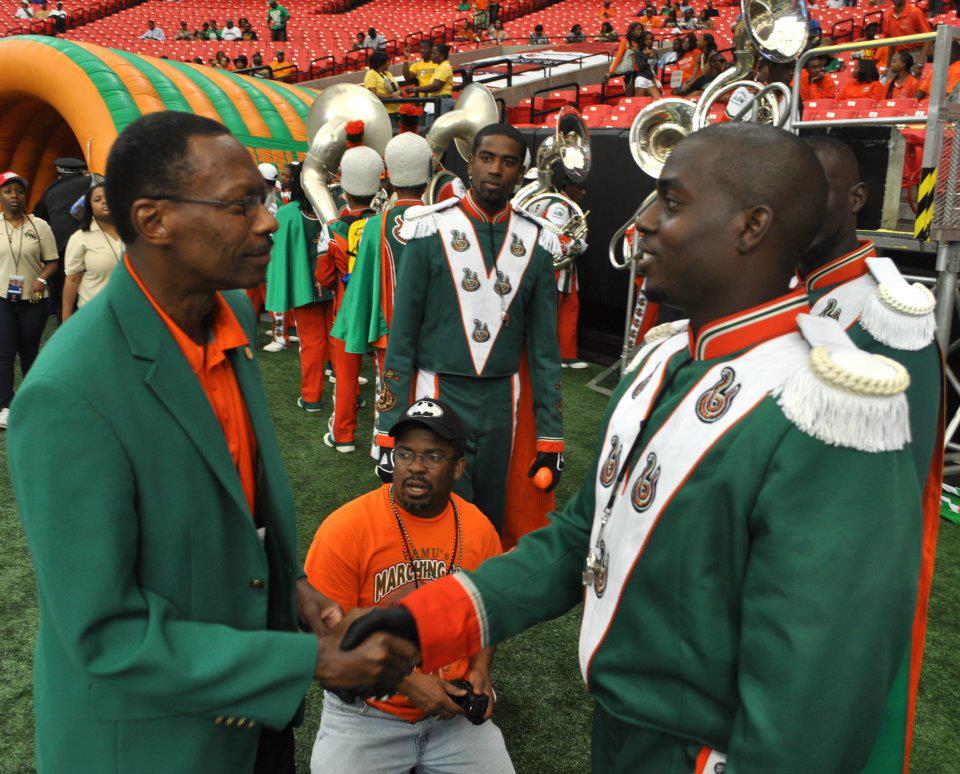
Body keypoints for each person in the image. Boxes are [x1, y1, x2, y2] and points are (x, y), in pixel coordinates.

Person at [349, 123, 923, 772]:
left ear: (752, 226)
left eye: (671, 202)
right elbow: (578, 539)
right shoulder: (663, 358)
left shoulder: (831, 409)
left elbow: (815, 693)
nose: (643, 223)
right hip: (621, 726)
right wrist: (421, 622)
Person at [7, 111, 420, 774]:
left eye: (262, 199)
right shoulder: (67, 393)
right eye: (240, 205)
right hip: (152, 747)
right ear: (154, 220)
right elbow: (105, 633)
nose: (265, 221)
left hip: (251, 724)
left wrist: (294, 589)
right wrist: (305, 659)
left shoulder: (230, 318)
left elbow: (234, 518)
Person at [800, 134, 942, 774]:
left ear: (857, 198)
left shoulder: (888, 309)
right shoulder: (799, 287)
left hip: (839, 581)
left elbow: (895, 489)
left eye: (816, 191)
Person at [305, 399, 513, 774]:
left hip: (453, 714)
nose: (416, 467)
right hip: (367, 711)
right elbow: (324, 644)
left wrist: (481, 668)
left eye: (433, 457)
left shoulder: (479, 528)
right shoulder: (346, 528)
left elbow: (488, 614)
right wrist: (408, 682)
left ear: (458, 467)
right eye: (405, 454)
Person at [373, 124, 564, 531]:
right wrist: (388, 430)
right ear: (470, 165)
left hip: (503, 400)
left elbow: (545, 351)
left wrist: (551, 436)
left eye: (508, 161)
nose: (496, 169)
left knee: (491, 521)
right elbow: (401, 339)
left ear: (520, 172)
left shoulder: (538, 241)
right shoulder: (427, 230)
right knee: (431, 515)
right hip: (439, 391)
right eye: (487, 158)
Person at [328, 132, 432, 449]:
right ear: (427, 177)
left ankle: (382, 444)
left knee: (386, 386)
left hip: (386, 327)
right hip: (430, 327)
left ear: (389, 175)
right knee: (422, 387)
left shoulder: (376, 224)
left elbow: (362, 283)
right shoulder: (441, 220)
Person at [316, 142, 382, 449]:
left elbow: (324, 276)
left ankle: (342, 435)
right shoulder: (387, 223)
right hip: (383, 312)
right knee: (387, 378)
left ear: (344, 190)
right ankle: (382, 441)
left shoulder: (333, 229)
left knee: (345, 377)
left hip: (346, 310)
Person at [265, 163, 334, 414]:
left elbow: (277, 252)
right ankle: (350, 396)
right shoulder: (332, 208)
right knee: (338, 342)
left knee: (312, 344)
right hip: (335, 288)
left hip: (304, 290)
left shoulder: (287, 213)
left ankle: (312, 398)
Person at [0, 172, 57, 430]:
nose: (14, 196)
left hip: (34, 301)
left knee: (30, 352)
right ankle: (5, 406)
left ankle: (34, 402)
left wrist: (42, 279)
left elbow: (53, 261)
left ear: (26, 195)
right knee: (4, 354)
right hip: (3, 300)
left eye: (19, 191)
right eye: (8, 191)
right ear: (1, 196)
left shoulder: (40, 226)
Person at [522, 177, 589, 369]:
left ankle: (566, 355)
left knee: (570, 307)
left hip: (566, 267)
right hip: (553, 266)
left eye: (585, 188)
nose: (583, 192)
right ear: (567, 186)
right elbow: (554, 233)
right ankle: (546, 355)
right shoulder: (559, 205)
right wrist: (575, 244)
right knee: (551, 310)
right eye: (579, 187)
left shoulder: (568, 205)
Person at [32, 156, 88, 320]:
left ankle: (63, 328)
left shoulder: (50, 190)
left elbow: (38, 218)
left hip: (60, 249)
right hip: (88, 245)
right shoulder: (92, 183)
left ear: (60, 173)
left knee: (63, 295)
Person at [62, 176, 123, 321]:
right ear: (89, 206)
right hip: (94, 314)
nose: (104, 201)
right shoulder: (80, 237)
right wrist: (66, 316)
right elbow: (72, 279)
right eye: (97, 199)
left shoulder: (134, 233)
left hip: (130, 312)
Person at [405, 44, 455, 117]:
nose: (432, 56)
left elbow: (435, 86)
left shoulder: (444, 66)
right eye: (432, 53)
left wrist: (414, 89)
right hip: (435, 101)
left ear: (442, 55)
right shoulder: (440, 66)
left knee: (436, 127)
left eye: (434, 53)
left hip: (442, 101)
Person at [882, 0, 932, 69]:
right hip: (899, 55)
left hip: (915, 53)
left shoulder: (915, 12)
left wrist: (920, 62)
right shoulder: (887, 16)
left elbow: (928, 38)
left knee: (913, 78)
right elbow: (891, 46)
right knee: (889, 79)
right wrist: (887, 68)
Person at [364, 50, 401, 119]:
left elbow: (396, 88)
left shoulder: (388, 74)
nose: (388, 63)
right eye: (387, 61)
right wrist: (391, 96)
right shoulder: (371, 73)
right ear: (381, 62)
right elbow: (373, 93)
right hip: (384, 112)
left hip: (396, 109)